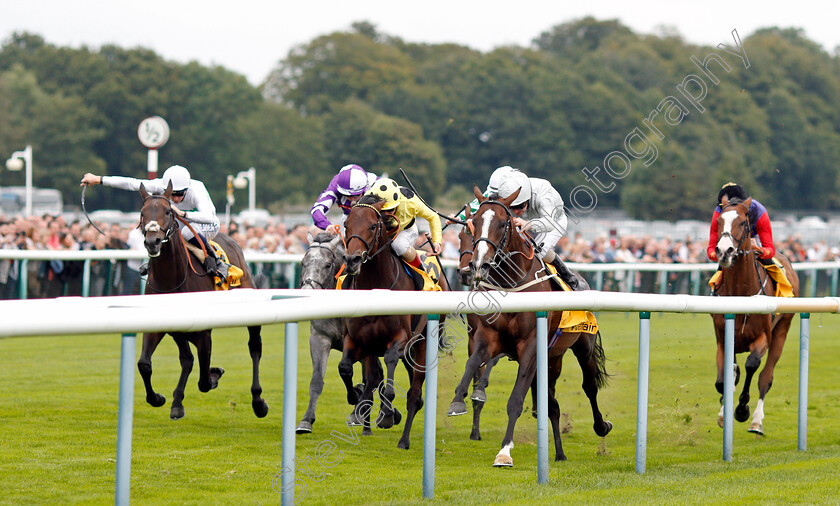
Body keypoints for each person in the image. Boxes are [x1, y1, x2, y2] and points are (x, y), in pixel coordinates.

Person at [80, 165, 227, 283]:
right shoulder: (159, 185)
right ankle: (154, 263)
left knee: (186, 232)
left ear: (187, 189)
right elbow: (131, 183)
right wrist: (99, 179)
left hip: (208, 224)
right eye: (172, 194)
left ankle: (215, 260)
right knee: (163, 230)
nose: (175, 198)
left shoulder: (197, 189)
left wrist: (183, 214)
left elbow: (209, 217)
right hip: (183, 222)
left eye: (180, 194)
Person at [484, 167, 583, 290]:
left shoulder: (544, 193)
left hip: (553, 221)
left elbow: (549, 222)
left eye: (519, 206)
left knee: (539, 251)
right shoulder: (510, 188)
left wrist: (528, 224)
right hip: (529, 220)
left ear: (526, 199)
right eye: (512, 207)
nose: (516, 211)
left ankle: (569, 278)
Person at [706, 182, 793, 296]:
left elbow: (770, 250)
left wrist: (758, 249)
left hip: (754, 238)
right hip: (731, 241)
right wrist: (721, 255)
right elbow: (711, 250)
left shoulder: (759, 211)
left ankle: (781, 292)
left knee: (771, 263)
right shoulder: (719, 212)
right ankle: (715, 291)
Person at [363, 177, 442, 274]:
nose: (386, 215)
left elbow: (433, 216)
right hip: (379, 232)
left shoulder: (410, 202)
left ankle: (421, 271)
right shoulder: (366, 201)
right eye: (381, 211)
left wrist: (437, 242)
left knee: (398, 245)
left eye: (390, 210)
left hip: (405, 231)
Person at [311, 163, 378, 234]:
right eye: (347, 195)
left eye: (356, 195)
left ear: (365, 187)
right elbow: (316, 209)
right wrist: (327, 225)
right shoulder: (335, 186)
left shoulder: (376, 183)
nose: (352, 200)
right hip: (349, 216)